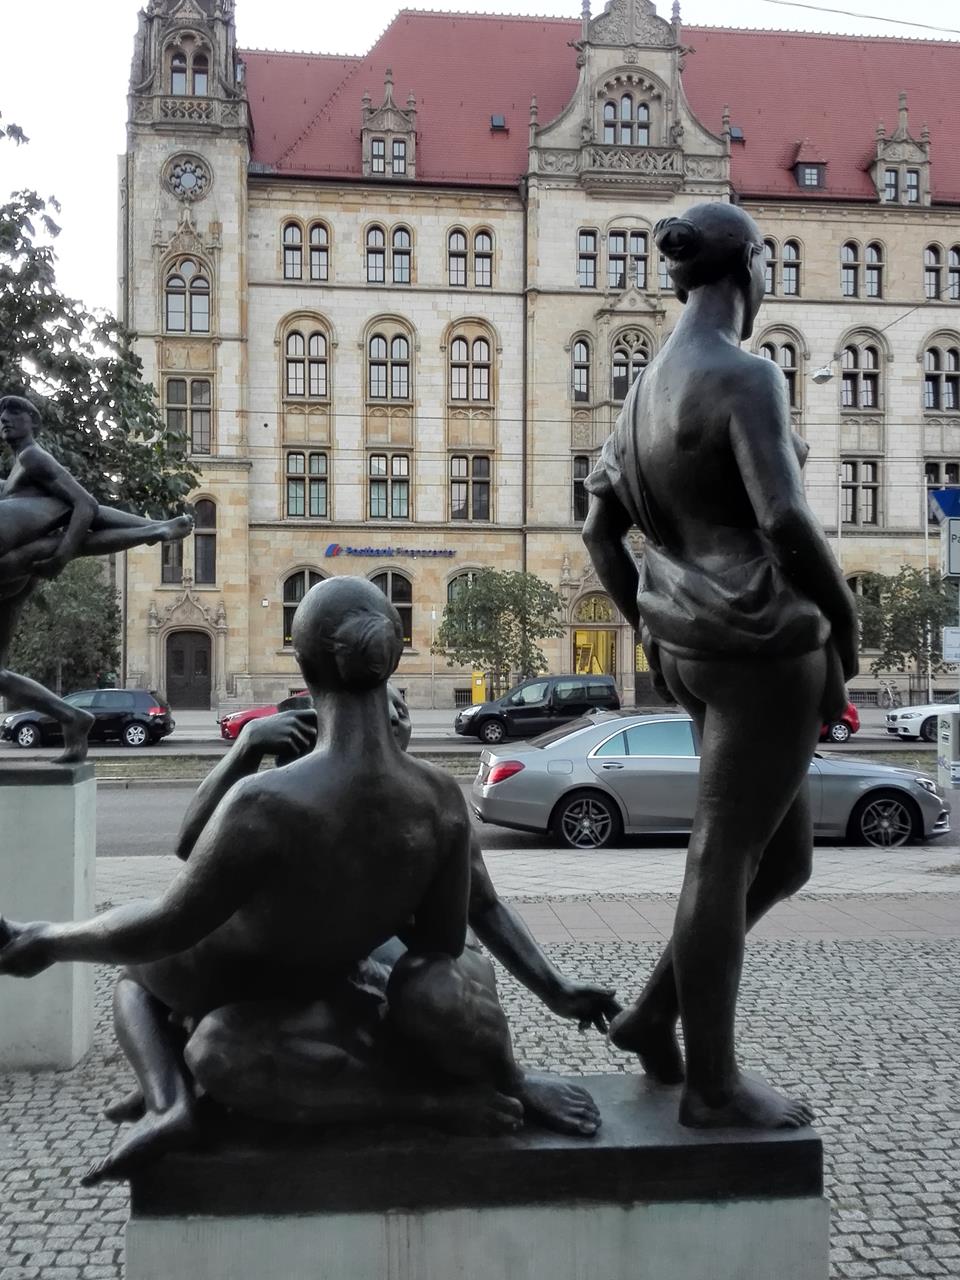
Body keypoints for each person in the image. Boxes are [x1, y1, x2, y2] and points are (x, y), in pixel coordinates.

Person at [0, 578, 604, 1185]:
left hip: (234, 980)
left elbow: (165, 926)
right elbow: (456, 932)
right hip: (292, 990)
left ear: (304, 666)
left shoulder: (265, 802)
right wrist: (554, 990)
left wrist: (46, 940)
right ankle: (176, 1100)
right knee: (212, 1033)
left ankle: (175, 1100)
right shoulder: (440, 798)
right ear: (392, 662)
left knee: (181, 1017)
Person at [581, 203, 858, 1130]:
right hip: (761, 639)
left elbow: (597, 533)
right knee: (727, 852)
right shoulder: (747, 374)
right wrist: (845, 618)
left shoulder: (639, 395)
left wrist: (648, 626)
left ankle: (652, 1014)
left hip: (691, 639)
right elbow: (783, 517)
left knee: (785, 858)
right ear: (751, 269)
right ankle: (712, 1086)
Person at [0, 395, 192, 762]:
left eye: (15, 414)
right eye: (2, 416)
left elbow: (86, 505)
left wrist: (61, 556)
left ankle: (155, 530)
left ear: (33, 423)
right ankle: (73, 717)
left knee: (55, 532)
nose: (5, 420)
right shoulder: (18, 467)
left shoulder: (34, 457)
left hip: (20, 561)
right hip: (17, 565)